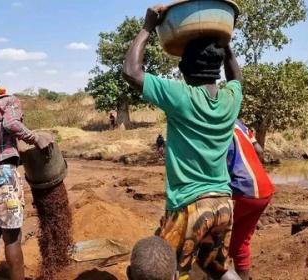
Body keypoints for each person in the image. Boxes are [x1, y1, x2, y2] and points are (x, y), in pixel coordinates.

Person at [123, 5, 243, 280]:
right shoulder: (231, 99)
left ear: (184, 70)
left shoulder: (181, 97)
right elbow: (237, 78)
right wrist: (227, 47)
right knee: (218, 268)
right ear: (217, 69)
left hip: (189, 206)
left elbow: (131, 71)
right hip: (223, 203)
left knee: (169, 271)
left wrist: (147, 26)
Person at [0, 86, 52, 280]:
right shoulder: (10, 101)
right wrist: (35, 138)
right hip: (1, 174)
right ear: (1, 94)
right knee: (12, 236)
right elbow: (11, 123)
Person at [227, 120, 275, 280]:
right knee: (240, 242)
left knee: (214, 240)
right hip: (264, 188)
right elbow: (259, 150)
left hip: (242, 190)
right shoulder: (236, 122)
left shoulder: (210, 122)